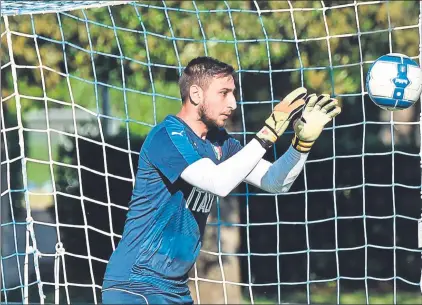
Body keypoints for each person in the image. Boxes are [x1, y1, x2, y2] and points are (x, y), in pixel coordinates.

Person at [101, 56, 341, 304]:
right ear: (195, 94)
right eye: (224, 93)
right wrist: (268, 132)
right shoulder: (167, 136)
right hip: (135, 283)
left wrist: (301, 145)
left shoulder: (220, 142)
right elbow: (218, 182)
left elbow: (276, 182)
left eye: (233, 93)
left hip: (175, 288)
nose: (233, 103)